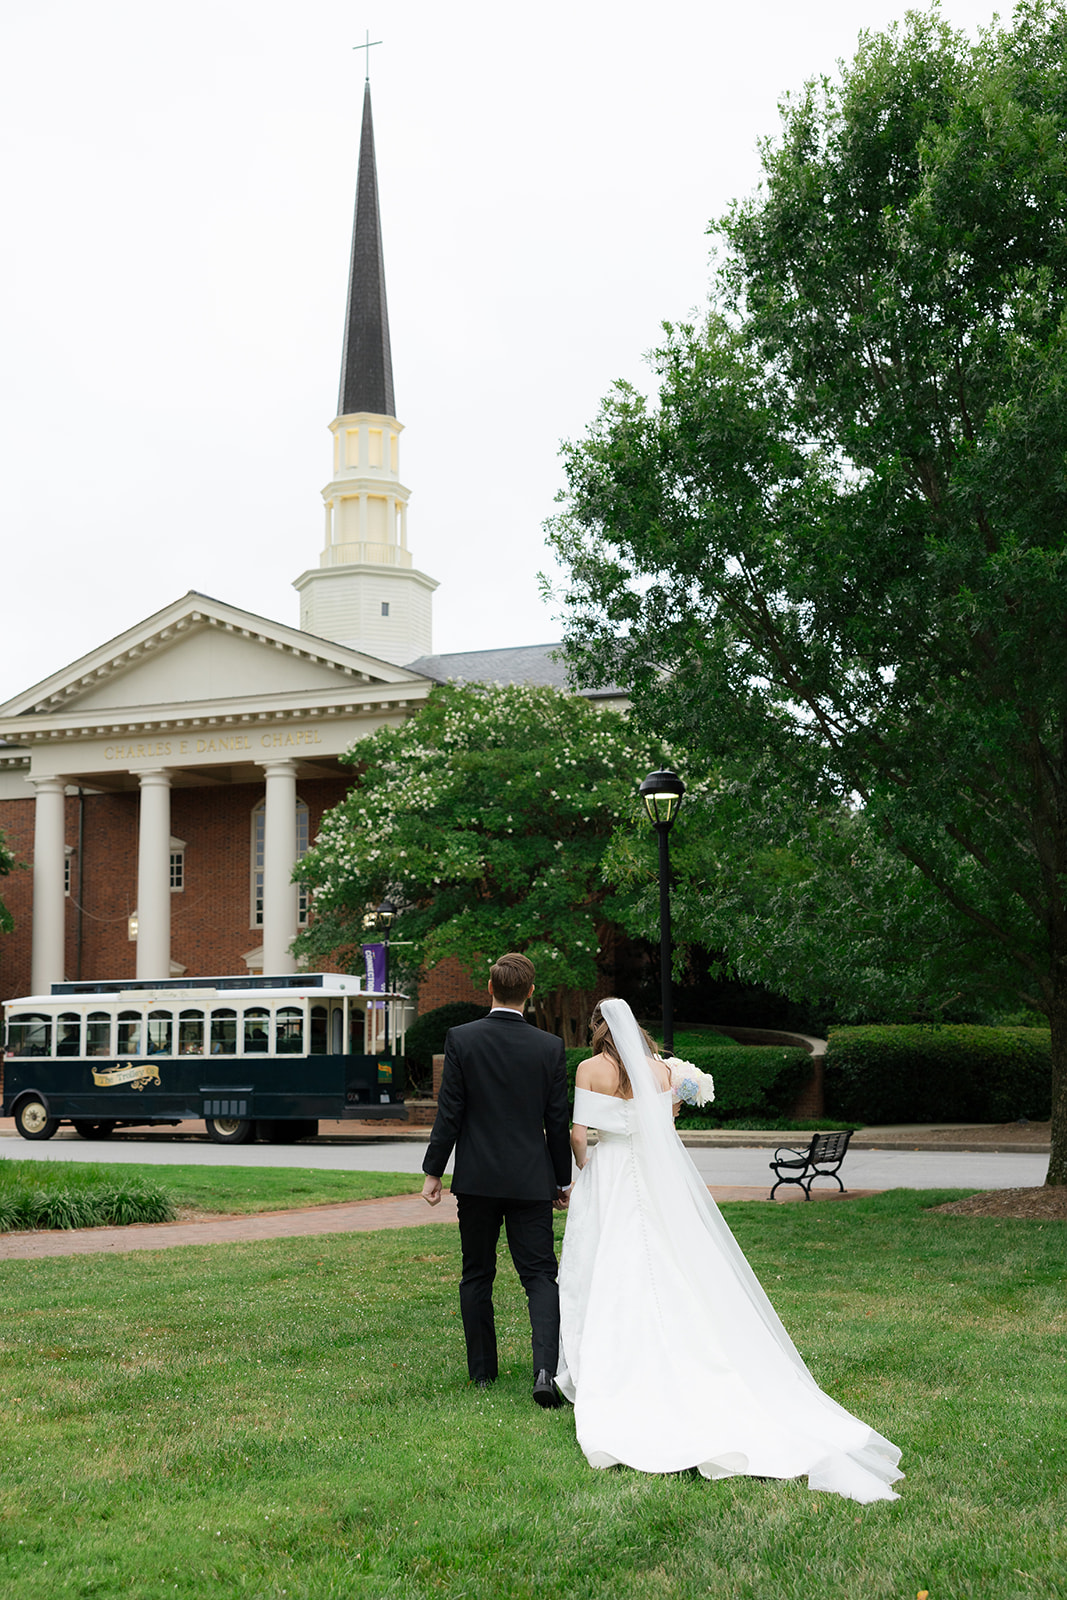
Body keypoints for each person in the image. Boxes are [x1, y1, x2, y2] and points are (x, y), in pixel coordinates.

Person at [555, 998, 903, 1504]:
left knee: (608, 1264)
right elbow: (663, 1132)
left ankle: (613, 1363)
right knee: (670, 1261)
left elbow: (580, 1133)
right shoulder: (659, 1070)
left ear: (596, 1029)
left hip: (610, 1173)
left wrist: (587, 1168)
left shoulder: (589, 1068)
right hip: (653, 1179)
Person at [422, 952, 572, 1407]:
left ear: (489, 989)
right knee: (541, 1276)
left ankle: (483, 1374)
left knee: (477, 1275)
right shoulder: (550, 1047)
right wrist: (562, 1181)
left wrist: (433, 1171)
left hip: (478, 1180)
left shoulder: (462, 1039)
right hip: (531, 1181)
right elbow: (556, 1120)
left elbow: (451, 1112)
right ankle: (545, 1371)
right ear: (530, 992)